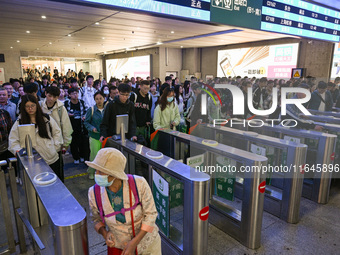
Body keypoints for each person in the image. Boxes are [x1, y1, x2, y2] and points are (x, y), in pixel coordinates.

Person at [87, 148, 161, 254]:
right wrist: (105, 233)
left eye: (101, 171)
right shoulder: (93, 193)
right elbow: (95, 218)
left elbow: (151, 215)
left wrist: (135, 242)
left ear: (114, 174)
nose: (96, 174)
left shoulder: (139, 184)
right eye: (96, 170)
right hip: (119, 246)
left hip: (147, 244)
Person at [8, 95, 63, 179]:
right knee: (38, 185)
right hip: (32, 162)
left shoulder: (46, 118)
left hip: (50, 157)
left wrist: (54, 148)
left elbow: (57, 133)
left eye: (33, 105)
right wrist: (21, 153)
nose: (30, 108)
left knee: (54, 182)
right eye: (27, 106)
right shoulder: (20, 122)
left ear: (37, 105)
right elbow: (13, 141)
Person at [84, 91, 107, 179]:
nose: (99, 101)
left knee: (104, 156)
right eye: (97, 99)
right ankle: (92, 172)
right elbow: (86, 122)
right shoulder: (92, 110)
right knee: (94, 155)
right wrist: (92, 128)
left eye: (100, 98)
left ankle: (102, 173)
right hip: (95, 137)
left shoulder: (107, 109)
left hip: (105, 137)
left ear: (104, 99)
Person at [64, 88, 89, 164]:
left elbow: (86, 110)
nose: (75, 95)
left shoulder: (81, 102)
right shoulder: (67, 103)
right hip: (71, 126)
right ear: (69, 95)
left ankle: (82, 156)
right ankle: (76, 157)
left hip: (81, 125)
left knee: (82, 142)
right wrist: (68, 115)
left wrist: (84, 116)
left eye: (76, 93)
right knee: (73, 143)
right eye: (73, 93)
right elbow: (64, 113)